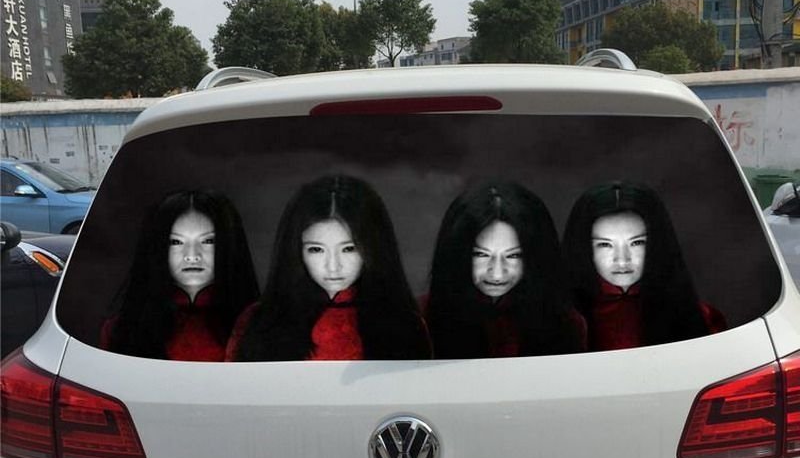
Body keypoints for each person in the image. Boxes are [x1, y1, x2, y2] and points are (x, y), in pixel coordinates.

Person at [228, 174, 430, 361]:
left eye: (349, 249)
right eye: (316, 250)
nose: (333, 266)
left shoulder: (405, 325)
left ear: (374, 248)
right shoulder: (258, 322)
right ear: (295, 250)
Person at [426, 182, 586, 359]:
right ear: (456, 252)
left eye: (513, 255)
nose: (497, 274)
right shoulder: (422, 319)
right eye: (481, 254)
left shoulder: (567, 323)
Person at [562, 181, 725, 351]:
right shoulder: (562, 323)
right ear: (583, 247)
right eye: (605, 244)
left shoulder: (704, 318)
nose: (622, 260)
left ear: (657, 243)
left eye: (637, 242)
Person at [102, 190, 258, 360]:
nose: (192, 255)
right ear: (158, 248)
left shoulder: (256, 326)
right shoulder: (121, 331)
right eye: (176, 242)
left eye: (208, 241)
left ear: (229, 245)